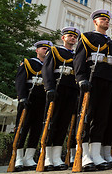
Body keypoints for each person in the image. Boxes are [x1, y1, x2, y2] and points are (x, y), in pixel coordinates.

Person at [74, 9, 112, 171]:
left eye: (107, 20)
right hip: (91, 82)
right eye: (102, 19)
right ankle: (85, 154)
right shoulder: (87, 37)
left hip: (108, 83)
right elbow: (79, 59)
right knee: (87, 117)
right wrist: (81, 78)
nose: (106, 21)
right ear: (95, 21)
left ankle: (96, 154)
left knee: (102, 119)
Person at [41, 27, 80, 171]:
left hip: (71, 90)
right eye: (70, 36)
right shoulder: (55, 51)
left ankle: (56, 157)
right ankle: (46, 157)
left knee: (64, 123)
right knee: (52, 121)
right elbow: (47, 69)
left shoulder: (76, 55)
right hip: (57, 88)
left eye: (75, 37)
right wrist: (49, 87)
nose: (73, 39)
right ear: (63, 38)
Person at [14, 40, 52, 171]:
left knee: (36, 130)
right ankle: (18, 157)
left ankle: (28, 157)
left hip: (42, 101)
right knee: (22, 128)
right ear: (37, 50)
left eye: (48, 50)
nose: (45, 51)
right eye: (43, 49)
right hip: (28, 99)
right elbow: (20, 80)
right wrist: (21, 96)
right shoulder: (29, 63)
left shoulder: (49, 65)